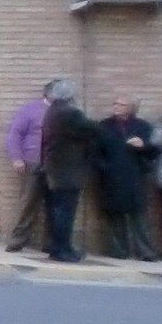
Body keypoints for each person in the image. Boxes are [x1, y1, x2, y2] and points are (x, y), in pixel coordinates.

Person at [95, 98, 161, 261]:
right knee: (115, 215)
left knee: (138, 216)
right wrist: (106, 168)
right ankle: (120, 251)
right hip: (112, 177)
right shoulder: (104, 126)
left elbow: (154, 151)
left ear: (130, 108)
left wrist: (143, 145)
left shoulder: (142, 126)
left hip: (135, 177)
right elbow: (95, 152)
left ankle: (145, 252)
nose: (116, 107)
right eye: (115, 104)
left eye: (121, 105)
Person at [41, 78, 94, 264]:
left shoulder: (53, 111)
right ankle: (61, 249)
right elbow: (91, 130)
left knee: (58, 210)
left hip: (56, 169)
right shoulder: (69, 113)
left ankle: (60, 247)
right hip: (67, 170)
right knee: (65, 212)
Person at [2, 85, 51, 254]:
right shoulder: (31, 110)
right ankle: (17, 241)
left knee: (54, 206)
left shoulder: (66, 111)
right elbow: (15, 134)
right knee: (29, 203)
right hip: (33, 162)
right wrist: (16, 157)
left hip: (56, 165)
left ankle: (50, 243)